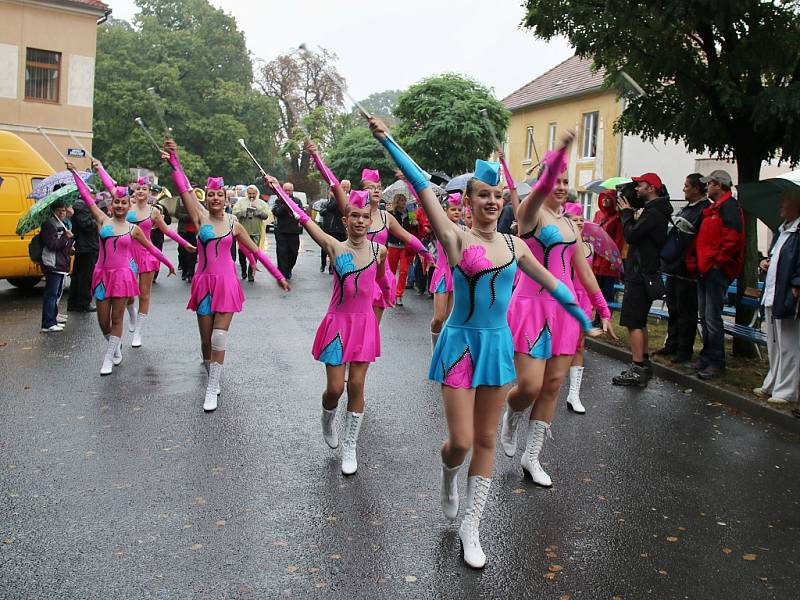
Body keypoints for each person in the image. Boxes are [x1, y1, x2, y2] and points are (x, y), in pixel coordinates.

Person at [370, 117, 591, 570]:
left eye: (496, 196)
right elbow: (418, 183)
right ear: (467, 202)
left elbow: (555, 282)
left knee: (486, 439)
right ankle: (449, 477)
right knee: (461, 440)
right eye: (482, 195)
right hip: (459, 343)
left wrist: (584, 312)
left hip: (496, 346)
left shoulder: (515, 246)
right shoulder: (455, 238)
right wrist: (387, 140)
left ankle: (472, 528)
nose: (491, 202)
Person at [499, 142, 612, 488]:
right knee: (529, 385)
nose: (560, 186)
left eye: (565, 180)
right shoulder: (529, 215)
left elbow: (584, 270)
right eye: (554, 180)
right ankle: (512, 413)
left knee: (552, 386)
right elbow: (535, 198)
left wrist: (602, 308)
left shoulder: (571, 226)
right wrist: (561, 149)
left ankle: (532, 457)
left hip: (564, 313)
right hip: (531, 307)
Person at [163, 141, 289, 411]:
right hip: (203, 282)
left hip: (227, 283)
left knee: (219, 337)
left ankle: (212, 387)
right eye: (211, 195)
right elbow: (184, 189)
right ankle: (210, 368)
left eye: (219, 195)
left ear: (226, 198)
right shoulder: (199, 218)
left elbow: (254, 249)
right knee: (206, 339)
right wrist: (174, 161)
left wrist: (277, 274)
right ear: (207, 198)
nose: (215, 199)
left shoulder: (234, 223)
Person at [67, 162, 176, 375]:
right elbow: (88, 198)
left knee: (117, 318)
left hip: (123, 276)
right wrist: (74, 173)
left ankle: (109, 356)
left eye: (123, 203)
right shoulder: (102, 220)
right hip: (101, 275)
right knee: (102, 320)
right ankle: (114, 344)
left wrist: (169, 263)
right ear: (111, 205)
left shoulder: (134, 229)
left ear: (129, 206)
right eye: (116, 202)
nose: (119, 205)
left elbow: (152, 248)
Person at [305, 142, 431, 323]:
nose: (377, 190)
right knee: (351, 320)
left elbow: (408, 237)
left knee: (371, 328)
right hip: (355, 271)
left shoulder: (386, 217)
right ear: (362, 190)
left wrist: (426, 254)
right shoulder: (351, 209)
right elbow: (333, 183)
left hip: (379, 274)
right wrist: (317, 157)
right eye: (371, 187)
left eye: (379, 187)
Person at [611, 172, 673, 387]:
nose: (636, 189)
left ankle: (637, 367)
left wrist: (627, 214)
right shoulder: (655, 211)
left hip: (640, 273)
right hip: (643, 270)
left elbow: (631, 235)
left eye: (641, 185)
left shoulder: (655, 213)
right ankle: (644, 363)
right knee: (639, 320)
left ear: (652, 187)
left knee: (633, 321)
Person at [121, 175, 197, 348]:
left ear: (149, 193)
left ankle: (138, 332)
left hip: (147, 254)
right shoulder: (127, 208)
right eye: (138, 189)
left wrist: (185, 244)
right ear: (134, 190)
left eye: (144, 189)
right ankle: (132, 312)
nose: (140, 191)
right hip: (127, 254)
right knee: (127, 293)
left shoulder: (154, 211)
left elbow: (168, 232)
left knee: (144, 293)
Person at [692, 169, 744, 380]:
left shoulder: (729, 207)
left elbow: (733, 239)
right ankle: (707, 356)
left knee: (713, 317)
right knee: (704, 315)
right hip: (706, 267)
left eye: (710, 183)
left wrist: (717, 263)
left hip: (715, 269)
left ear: (719, 185)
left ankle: (716, 361)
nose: (707, 187)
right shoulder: (713, 209)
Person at [657, 173, 710, 363]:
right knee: (674, 309)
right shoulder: (688, 209)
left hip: (688, 269)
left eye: (687, 186)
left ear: (696, 188)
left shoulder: (704, 210)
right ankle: (672, 343)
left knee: (686, 311)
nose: (684, 189)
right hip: (674, 267)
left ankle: (684, 350)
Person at [753, 189, 800, 405]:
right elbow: (777, 257)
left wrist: (796, 284)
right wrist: (766, 262)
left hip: (787, 294)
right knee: (774, 342)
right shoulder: (782, 231)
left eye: (785, 201)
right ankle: (772, 381)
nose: (780, 204)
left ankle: (787, 389)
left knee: (789, 343)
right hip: (772, 292)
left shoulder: (797, 232)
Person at [429, 193, 463, 349]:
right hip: (442, 275)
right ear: (446, 211)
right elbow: (430, 210)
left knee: (450, 318)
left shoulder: (465, 230)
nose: (456, 212)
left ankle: (445, 350)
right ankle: (435, 347)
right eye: (453, 209)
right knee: (439, 318)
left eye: (459, 209)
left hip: (457, 276)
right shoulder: (441, 228)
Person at [40, 201, 74, 332]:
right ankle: (47, 323)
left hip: (61, 263)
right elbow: (52, 245)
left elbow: (64, 245)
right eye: (58, 210)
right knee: (51, 293)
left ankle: (52, 319)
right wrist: (65, 238)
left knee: (57, 292)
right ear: (53, 211)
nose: (62, 213)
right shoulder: (49, 225)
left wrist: (70, 241)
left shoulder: (63, 225)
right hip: (53, 263)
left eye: (63, 210)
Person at [591, 190, 624, 324]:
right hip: (597, 257)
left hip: (609, 258)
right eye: (603, 198)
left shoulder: (617, 217)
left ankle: (605, 319)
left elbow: (619, 239)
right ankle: (597, 317)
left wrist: (614, 259)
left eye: (608, 198)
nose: (605, 200)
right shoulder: (598, 214)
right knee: (596, 289)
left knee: (607, 291)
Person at [66, 192, 99, 313]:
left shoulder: (79, 206)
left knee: (78, 275)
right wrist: (96, 220)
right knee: (85, 276)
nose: (95, 197)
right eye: (93, 194)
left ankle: (74, 303)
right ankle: (83, 303)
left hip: (84, 246)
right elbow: (86, 225)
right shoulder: (82, 206)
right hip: (87, 246)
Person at [233, 185, 272, 282]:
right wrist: (244, 212)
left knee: (255, 253)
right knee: (242, 252)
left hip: (256, 232)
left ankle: (251, 272)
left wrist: (258, 212)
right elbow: (235, 213)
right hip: (243, 232)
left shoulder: (262, 203)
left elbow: (266, 216)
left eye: (253, 193)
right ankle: (243, 270)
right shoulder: (241, 202)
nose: (251, 195)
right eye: (249, 193)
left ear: (257, 193)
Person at [386, 193, 418, 306]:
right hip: (393, 245)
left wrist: (414, 222)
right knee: (391, 271)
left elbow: (415, 227)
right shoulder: (391, 213)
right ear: (396, 202)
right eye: (401, 201)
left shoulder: (410, 213)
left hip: (405, 247)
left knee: (404, 271)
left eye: (404, 200)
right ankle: (390, 293)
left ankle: (399, 295)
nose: (403, 203)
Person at [271, 181, 305, 280]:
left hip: (294, 231)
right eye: (285, 190)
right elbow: (276, 212)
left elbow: (301, 213)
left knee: (293, 252)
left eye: (289, 190)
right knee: (282, 252)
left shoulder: (297, 200)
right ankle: (282, 272)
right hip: (281, 231)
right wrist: (285, 204)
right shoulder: (278, 200)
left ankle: (288, 269)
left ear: (292, 190)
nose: (287, 192)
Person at [319, 180, 349, 273]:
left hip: (343, 228)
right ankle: (324, 264)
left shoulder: (350, 198)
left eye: (346, 187)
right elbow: (328, 209)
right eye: (343, 187)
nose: (345, 189)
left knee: (341, 248)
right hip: (331, 227)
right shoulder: (334, 199)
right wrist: (338, 197)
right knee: (327, 247)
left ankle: (334, 267)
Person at [176, 194, 198, 281]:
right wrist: (189, 216)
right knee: (182, 252)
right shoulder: (180, 200)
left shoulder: (197, 199)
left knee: (193, 253)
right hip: (183, 230)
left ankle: (191, 273)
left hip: (194, 231)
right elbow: (177, 214)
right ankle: (184, 271)